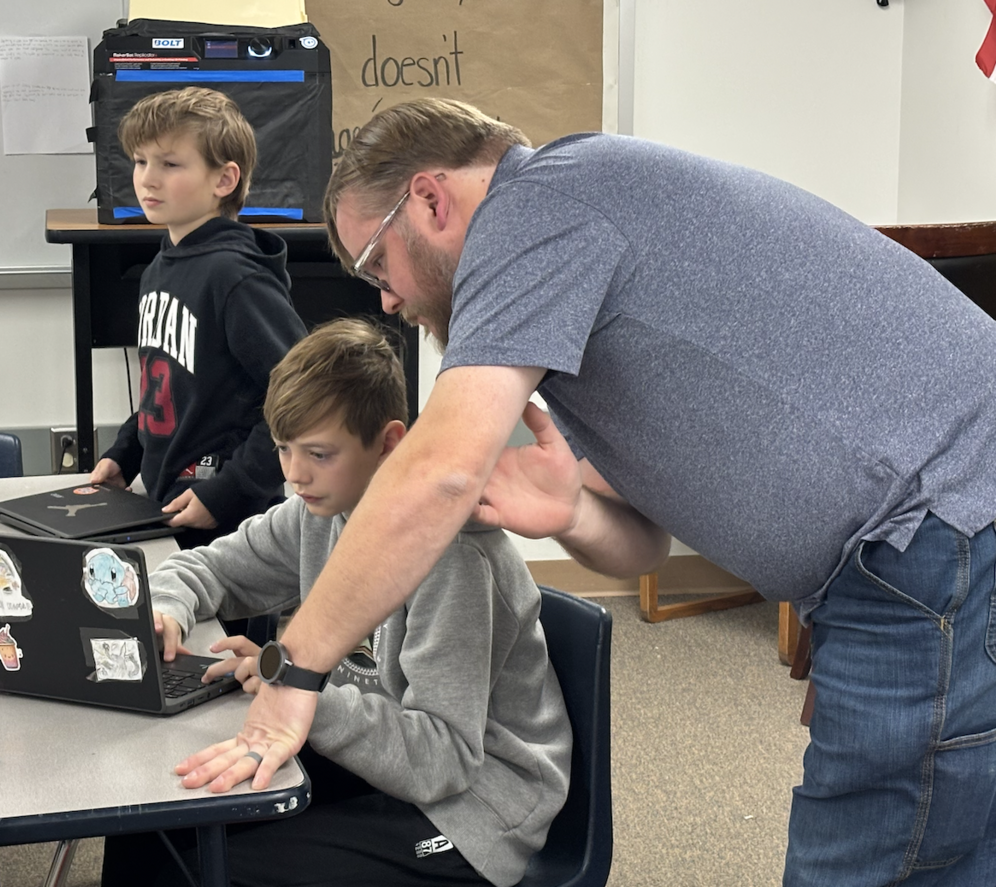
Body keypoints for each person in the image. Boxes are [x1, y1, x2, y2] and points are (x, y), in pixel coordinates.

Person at [178, 98, 996, 886]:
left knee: (867, 855)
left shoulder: (537, 207)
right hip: (929, 536)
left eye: (375, 265)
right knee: (955, 848)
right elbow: (642, 545)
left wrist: (298, 676)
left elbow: (439, 469)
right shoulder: (570, 294)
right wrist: (570, 512)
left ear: (429, 198)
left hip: (932, 532)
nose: (384, 298)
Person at [102, 317, 571, 887]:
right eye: (283, 449)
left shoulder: (455, 562)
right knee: (157, 821)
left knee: (209, 869)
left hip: (474, 807)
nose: (296, 475)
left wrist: (301, 691)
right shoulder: (316, 510)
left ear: (389, 443)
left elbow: (442, 760)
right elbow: (207, 566)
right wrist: (170, 608)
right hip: (382, 754)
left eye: (320, 454)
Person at [90, 87, 307, 550]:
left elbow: (305, 399)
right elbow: (170, 385)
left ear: (224, 180)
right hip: (171, 504)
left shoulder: (235, 277)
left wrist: (228, 491)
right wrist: (125, 454)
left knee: (225, 626)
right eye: (140, 161)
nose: (148, 179)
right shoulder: (160, 268)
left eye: (170, 164)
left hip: (229, 519)